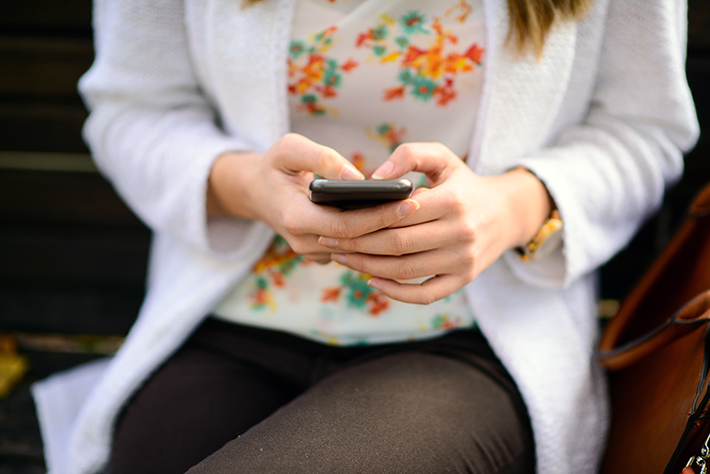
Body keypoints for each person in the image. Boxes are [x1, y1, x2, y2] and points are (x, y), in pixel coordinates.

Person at [31, 0, 698, 473]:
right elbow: (134, 111)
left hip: (469, 340)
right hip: (228, 322)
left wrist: (511, 207)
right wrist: (248, 186)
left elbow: (644, 131)